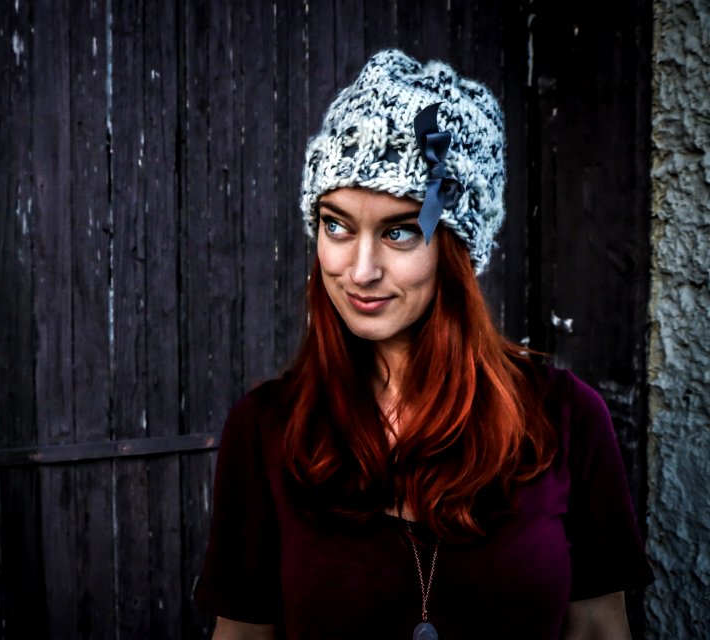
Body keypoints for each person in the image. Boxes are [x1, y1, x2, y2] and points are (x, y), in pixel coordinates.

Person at [193, 49, 654, 639]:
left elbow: (597, 630)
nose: (360, 270)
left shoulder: (565, 419)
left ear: (459, 250)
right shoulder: (265, 429)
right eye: (336, 225)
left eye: (400, 231)